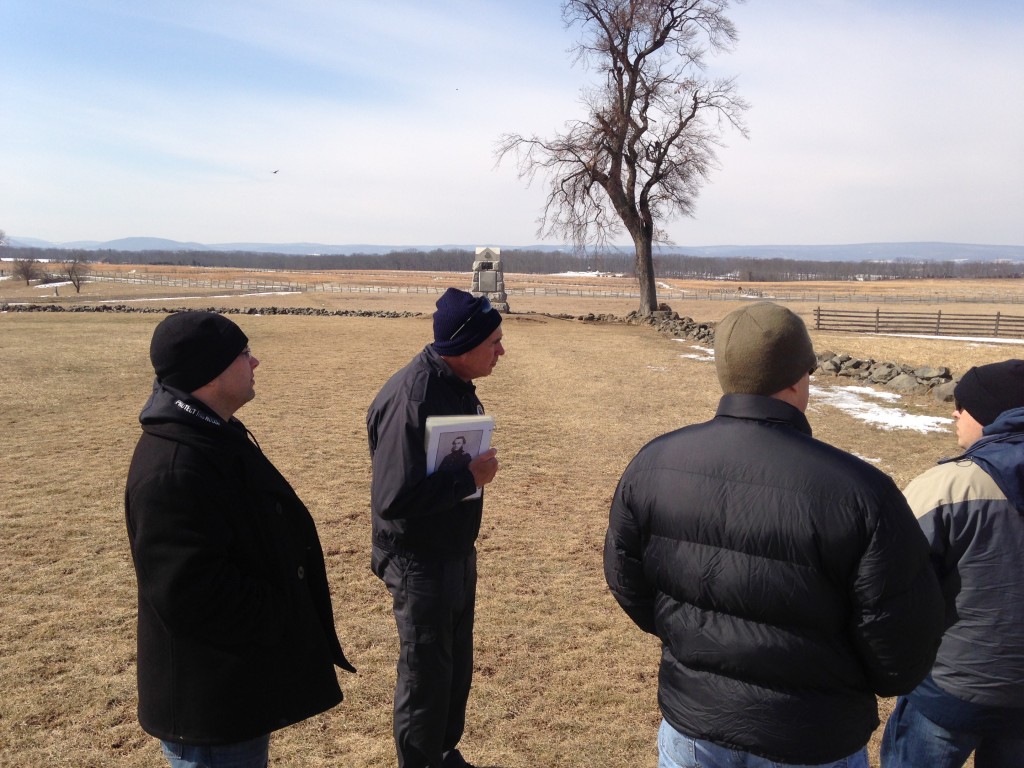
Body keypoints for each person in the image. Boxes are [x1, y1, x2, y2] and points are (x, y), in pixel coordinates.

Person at [604, 301, 945, 768]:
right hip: (812, 734)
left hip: (694, 726)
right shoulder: (861, 492)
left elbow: (629, 581)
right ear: (798, 376)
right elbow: (901, 642)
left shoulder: (654, 463)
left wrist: (691, 643)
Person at [125, 311, 355, 768]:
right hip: (210, 707)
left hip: (232, 690)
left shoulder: (209, 434)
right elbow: (191, 593)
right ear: (210, 370)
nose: (256, 362)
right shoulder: (173, 466)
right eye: (244, 353)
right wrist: (280, 611)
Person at [366, 288, 504, 768]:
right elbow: (393, 498)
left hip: (452, 552)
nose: (501, 352)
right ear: (464, 347)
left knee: (453, 667)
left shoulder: (453, 384)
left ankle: (444, 752)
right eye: (494, 343)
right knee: (426, 673)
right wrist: (467, 478)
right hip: (417, 559)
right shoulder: (415, 397)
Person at [881, 360, 1024, 768]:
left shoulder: (947, 488)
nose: (954, 414)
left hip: (950, 692)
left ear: (991, 415)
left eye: (963, 407)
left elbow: (890, 580)